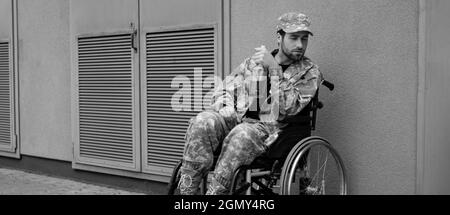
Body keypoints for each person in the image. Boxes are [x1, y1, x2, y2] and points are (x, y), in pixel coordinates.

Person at [177, 12, 324, 195]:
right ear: (279, 37)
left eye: (304, 39)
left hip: (274, 132)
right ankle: (186, 193)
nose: (300, 45)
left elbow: (286, 109)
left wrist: (274, 69)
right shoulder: (253, 64)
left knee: (242, 133)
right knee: (203, 121)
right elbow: (223, 91)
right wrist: (226, 107)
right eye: (294, 38)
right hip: (240, 121)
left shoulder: (310, 73)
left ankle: (216, 193)